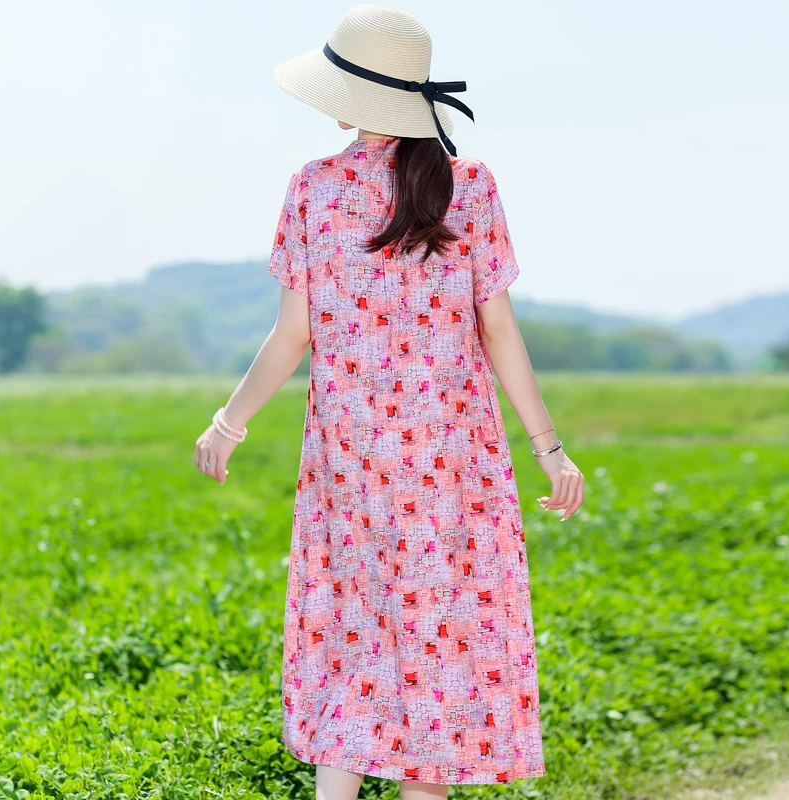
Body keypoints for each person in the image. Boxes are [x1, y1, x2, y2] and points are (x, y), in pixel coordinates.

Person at [194, 5, 584, 799]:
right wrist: (549, 446)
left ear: (360, 97)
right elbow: (499, 330)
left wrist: (227, 421)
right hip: (455, 462)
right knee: (437, 655)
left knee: (352, 635)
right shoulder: (469, 184)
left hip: (351, 460)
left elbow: (289, 336)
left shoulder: (313, 188)